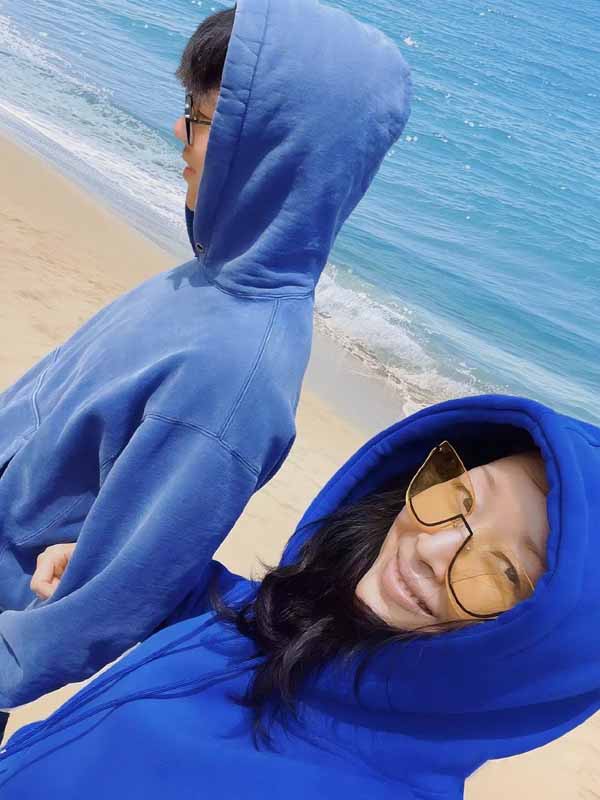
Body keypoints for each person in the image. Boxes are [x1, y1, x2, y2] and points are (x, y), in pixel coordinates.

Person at [0, 0, 412, 710]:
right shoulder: (212, 275)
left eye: (201, 119)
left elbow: (108, 604)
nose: (179, 133)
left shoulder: (235, 372)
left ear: (270, 153)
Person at [1, 394, 598, 800]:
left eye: (505, 570)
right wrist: (129, 572)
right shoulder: (301, 624)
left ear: (543, 656)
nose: (434, 549)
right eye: (461, 498)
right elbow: (236, 620)